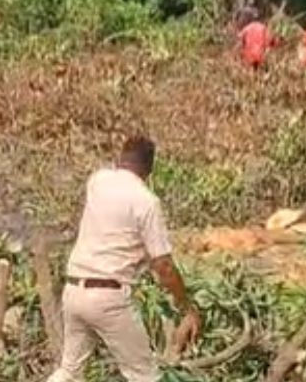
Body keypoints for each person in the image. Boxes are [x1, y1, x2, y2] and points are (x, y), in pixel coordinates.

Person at [47, 136, 201, 382]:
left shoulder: (97, 181)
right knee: (145, 376)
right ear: (149, 170)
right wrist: (187, 309)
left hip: (74, 290)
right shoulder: (146, 201)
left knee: (69, 371)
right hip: (108, 298)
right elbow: (163, 265)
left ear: (120, 159)